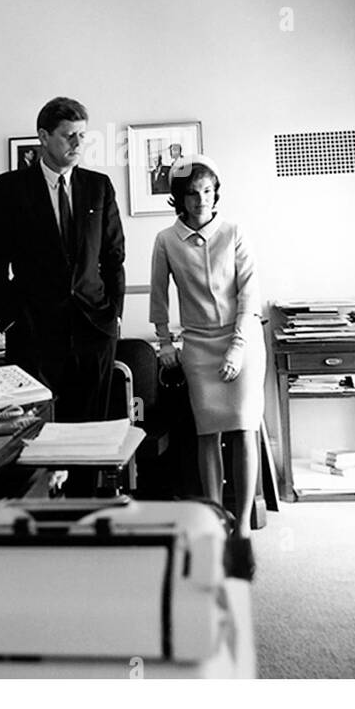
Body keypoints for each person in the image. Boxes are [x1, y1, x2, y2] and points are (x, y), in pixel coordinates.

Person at [149, 157, 265, 579]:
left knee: (243, 428)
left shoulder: (234, 232)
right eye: (193, 193)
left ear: (217, 194)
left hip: (243, 338)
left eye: (208, 192)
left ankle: (244, 530)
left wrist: (238, 346)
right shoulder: (166, 239)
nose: (201, 200)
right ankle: (215, 521)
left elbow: (250, 293)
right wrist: (165, 341)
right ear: (179, 198)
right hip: (198, 344)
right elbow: (158, 295)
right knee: (207, 432)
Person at [0, 96, 125, 421]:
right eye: (68, 135)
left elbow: (114, 257)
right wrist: (8, 319)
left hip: (94, 329)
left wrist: (114, 315)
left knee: (92, 433)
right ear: (43, 137)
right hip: (33, 330)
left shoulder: (98, 186)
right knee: (37, 431)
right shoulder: (9, 188)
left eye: (82, 135)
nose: (77, 143)